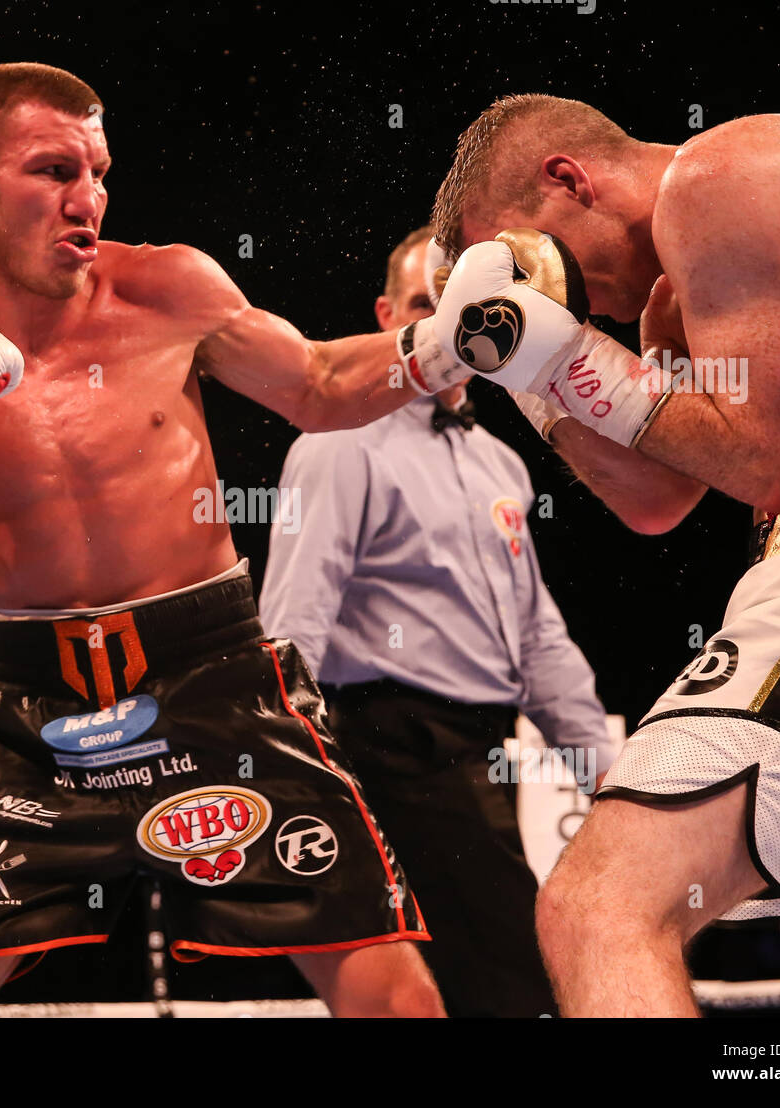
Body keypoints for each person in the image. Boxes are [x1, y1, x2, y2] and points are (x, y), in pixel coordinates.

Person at [0, 62, 482, 1018]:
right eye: (55, 171)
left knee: (396, 998)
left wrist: (453, 345)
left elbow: (315, 383)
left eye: (98, 172)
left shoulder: (165, 289)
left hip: (217, 682)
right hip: (33, 719)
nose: (89, 201)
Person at [423, 93, 780, 1016]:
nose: (568, 295)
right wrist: (523, 358)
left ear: (570, 180)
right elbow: (656, 499)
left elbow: (767, 460)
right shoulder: (679, 298)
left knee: (598, 907)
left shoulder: (724, 170)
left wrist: (542, 336)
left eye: (537, 259)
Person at [259, 225, 615, 1016]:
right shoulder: (341, 441)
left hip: (481, 755)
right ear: (393, 317)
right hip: (390, 747)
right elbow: (294, 619)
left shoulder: (501, 464)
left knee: (477, 985)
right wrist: (284, 767)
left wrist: (607, 779)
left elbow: (536, 637)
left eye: (472, 309)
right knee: (513, 980)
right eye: (431, 306)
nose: (457, 329)